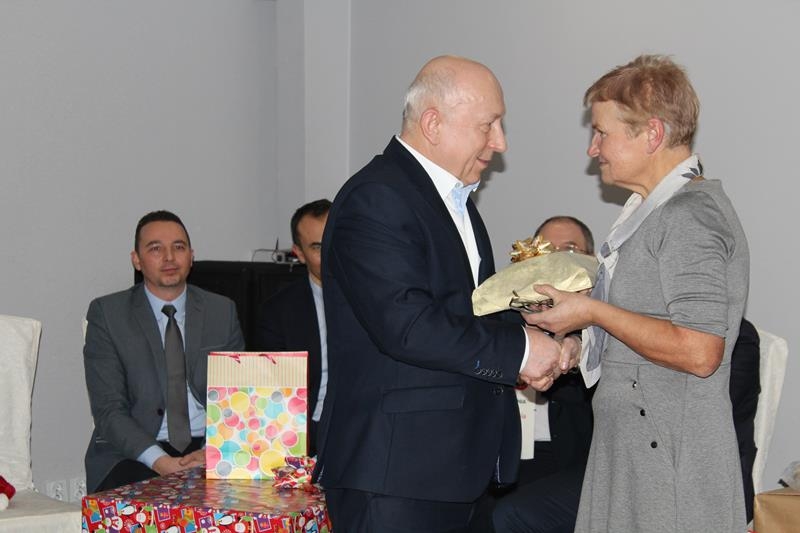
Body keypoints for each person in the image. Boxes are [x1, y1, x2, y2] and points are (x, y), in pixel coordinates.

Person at [315, 55, 578, 532]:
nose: (500, 142)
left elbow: (468, 311)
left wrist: (545, 336)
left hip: (453, 469)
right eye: (488, 125)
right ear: (433, 124)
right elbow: (407, 326)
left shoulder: (453, 201)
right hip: (397, 473)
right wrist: (521, 351)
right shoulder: (377, 197)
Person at [526, 54, 749, 532]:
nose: (593, 149)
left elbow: (700, 350)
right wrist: (576, 347)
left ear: (651, 134)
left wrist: (592, 311)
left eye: (602, 133)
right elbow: (642, 328)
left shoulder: (690, 217)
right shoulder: (648, 213)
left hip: (671, 462)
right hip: (634, 451)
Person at [83, 210, 245, 493]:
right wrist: (160, 462)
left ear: (191, 256)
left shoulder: (222, 311)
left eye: (178, 247)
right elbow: (109, 410)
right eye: (156, 249)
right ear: (137, 260)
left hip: (209, 445)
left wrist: (212, 450)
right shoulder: (108, 314)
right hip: (135, 451)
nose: (169, 258)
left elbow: (238, 396)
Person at [253, 198, 331, 456]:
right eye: (318, 247)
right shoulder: (278, 311)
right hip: (306, 432)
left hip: (368, 428)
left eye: (337, 239)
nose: (332, 253)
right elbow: (271, 394)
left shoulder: (378, 299)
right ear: (299, 253)